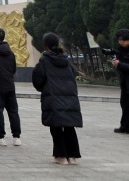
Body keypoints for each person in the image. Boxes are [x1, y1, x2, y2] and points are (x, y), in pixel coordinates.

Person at [32, 32, 83, 165]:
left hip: (53, 97)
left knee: (56, 126)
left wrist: (44, 88)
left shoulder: (44, 60)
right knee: (69, 126)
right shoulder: (66, 60)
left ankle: (61, 156)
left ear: (45, 45)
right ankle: (72, 156)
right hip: (69, 97)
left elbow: (37, 80)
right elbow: (73, 76)